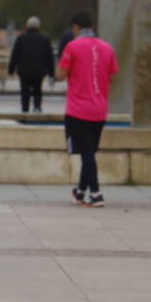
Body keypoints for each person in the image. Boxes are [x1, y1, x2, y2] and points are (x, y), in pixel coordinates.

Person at [56, 11, 118, 207]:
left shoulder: (72, 46)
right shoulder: (107, 47)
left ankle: (96, 193)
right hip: (99, 109)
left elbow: (60, 74)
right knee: (89, 151)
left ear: (75, 27)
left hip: (78, 109)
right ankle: (80, 192)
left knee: (86, 153)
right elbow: (112, 76)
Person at [7, 16, 54, 113]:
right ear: (39, 26)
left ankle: (25, 110)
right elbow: (49, 57)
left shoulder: (21, 38)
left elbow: (15, 54)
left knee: (25, 91)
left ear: (27, 26)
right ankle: (37, 107)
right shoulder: (45, 39)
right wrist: (51, 72)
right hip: (39, 70)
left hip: (24, 70)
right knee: (38, 90)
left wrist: (11, 69)